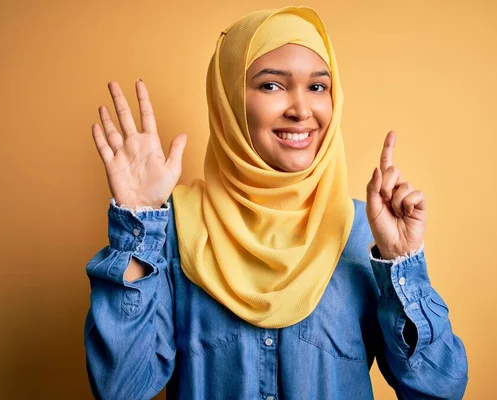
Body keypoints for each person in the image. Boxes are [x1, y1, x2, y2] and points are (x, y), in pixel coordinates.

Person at [84, 5, 468, 400]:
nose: (302, 110)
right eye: (271, 85)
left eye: (318, 87)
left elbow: (438, 390)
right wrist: (137, 227)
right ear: (229, 100)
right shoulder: (175, 231)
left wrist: (402, 264)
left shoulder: (362, 234)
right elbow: (120, 389)